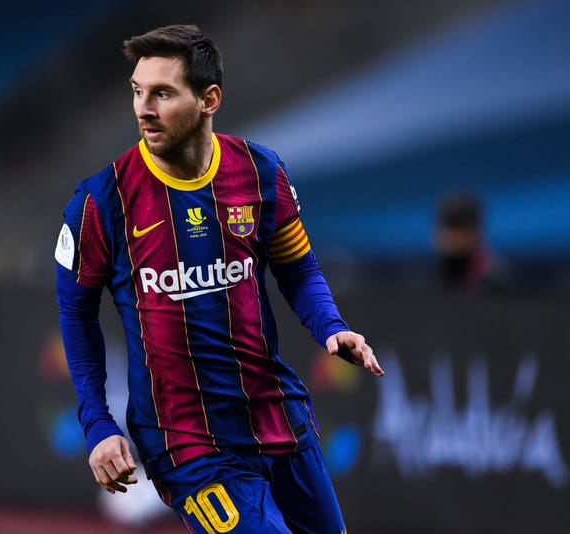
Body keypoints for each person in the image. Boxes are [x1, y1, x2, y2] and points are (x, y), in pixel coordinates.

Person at [55, 24, 384, 533]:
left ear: (209, 99)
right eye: (137, 92)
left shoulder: (259, 172)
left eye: (162, 93)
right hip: (185, 440)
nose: (144, 108)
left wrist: (330, 325)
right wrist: (97, 424)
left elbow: (298, 268)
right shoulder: (102, 202)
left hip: (277, 416)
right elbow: (75, 312)